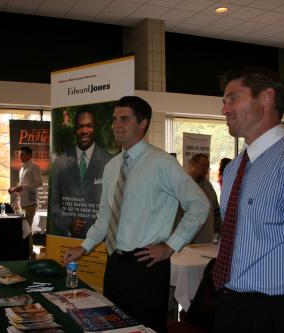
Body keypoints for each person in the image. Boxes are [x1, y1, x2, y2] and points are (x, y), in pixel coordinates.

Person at [64, 96, 209, 333]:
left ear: (143, 124)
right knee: (113, 327)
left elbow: (199, 205)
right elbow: (105, 216)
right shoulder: (112, 166)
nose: (116, 125)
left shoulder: (162, 163)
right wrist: (84, 246)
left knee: (145, 329)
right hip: (115, 264)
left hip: (147, 266)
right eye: (114, 119)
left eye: (124, 119)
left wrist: (171, 245)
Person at [212, 67, 284, 333]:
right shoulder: (235, 167)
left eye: (232, 98)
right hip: (229, 303)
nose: (224, 109)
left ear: (267, 97)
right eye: (224, 102)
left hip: (279, 313)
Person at [51, 106, 112, 238]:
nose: (84, 131)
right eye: (80, 126)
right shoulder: (60, 164)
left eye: (89, 126)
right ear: (74, 129)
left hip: (100, 245)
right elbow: (54, 205)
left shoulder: (110, 162)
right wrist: (68, 223)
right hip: (69, 243)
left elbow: (114, 206)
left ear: (95, 128)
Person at [9, 146, 43, 258]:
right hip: (22, 202)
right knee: (24, 228)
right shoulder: (22, 169)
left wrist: (22, 187)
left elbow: (39, 183)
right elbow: (22, 186)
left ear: (29, 155)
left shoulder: (34, 167)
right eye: (20, 154)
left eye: (22, 154)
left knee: (27, 227)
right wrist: (14, 189)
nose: (20, 156)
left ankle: (30, 253)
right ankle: (26, 251)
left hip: (30, 202)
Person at [186, 153, 222, 242]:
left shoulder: (208, 186)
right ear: (192, 165)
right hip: (186, 241)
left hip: (206, 240)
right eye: (203, 166)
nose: (206, 170)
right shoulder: (182, 184)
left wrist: (221, 228)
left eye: (207, 167)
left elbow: (216, 211)